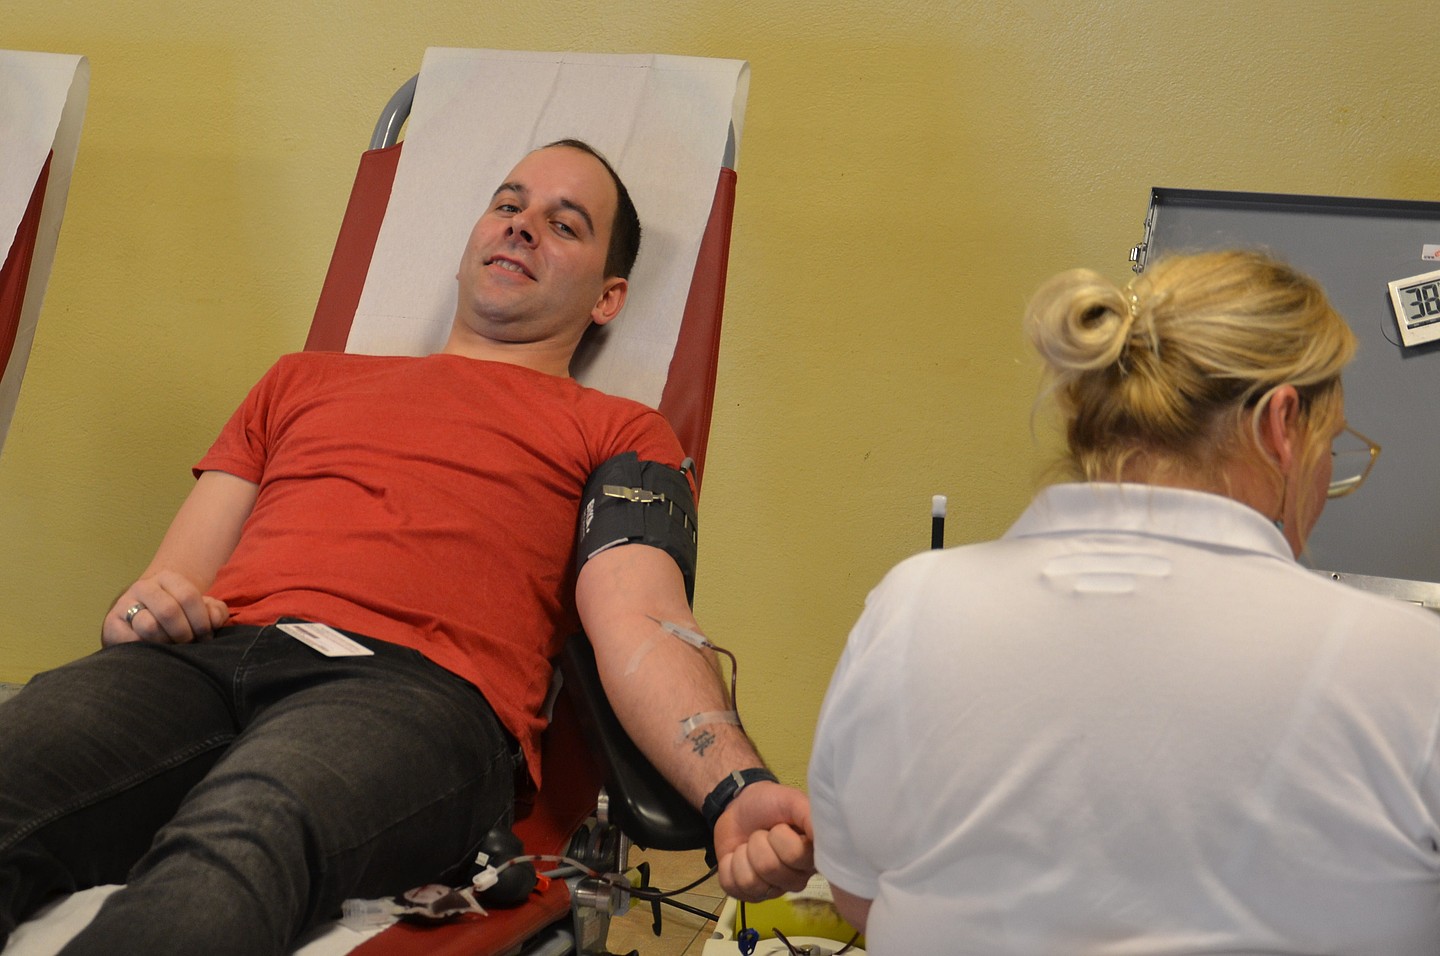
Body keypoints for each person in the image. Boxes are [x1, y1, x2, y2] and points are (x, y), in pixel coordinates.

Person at [0, 139, 813, 955]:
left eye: (564, 225)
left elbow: (643, 621)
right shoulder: (298, 380)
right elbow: (165, 585)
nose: (522, 226)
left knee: (244, 834)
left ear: (608, 298)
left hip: (411, 695)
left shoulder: (624, 432)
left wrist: (733, 786)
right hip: (204, 660)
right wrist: (140, 614)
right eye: (508, 205)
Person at [808, 250, 1440, 954]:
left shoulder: (909, 609)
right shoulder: (1411, 666)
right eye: (1332, 445)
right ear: (1281, 425)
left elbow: (857, 896)